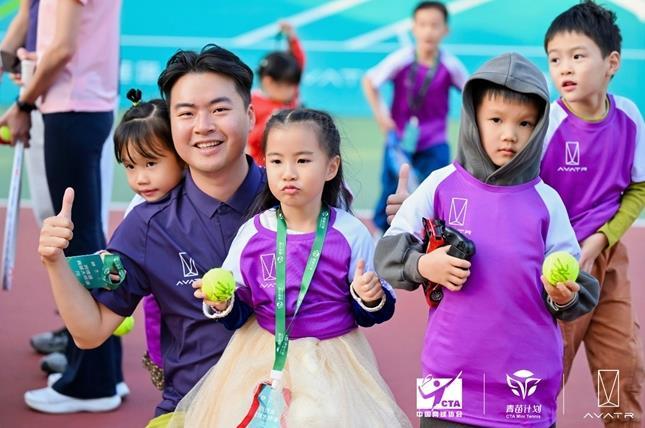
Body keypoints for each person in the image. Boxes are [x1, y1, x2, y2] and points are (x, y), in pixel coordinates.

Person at [37, 44, 268, 425]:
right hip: (193, 411)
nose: (203, 126)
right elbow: (90, 333)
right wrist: (54, 262)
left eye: (219, 109)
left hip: (294, 409)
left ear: (249, 114)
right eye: (186, 113)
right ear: (172, 124)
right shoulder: (147, 225)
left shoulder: (295, 198)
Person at [375, 53, 600, 427]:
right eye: (496, 120)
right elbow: (388, 252)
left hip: (525, 383)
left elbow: (574, 289)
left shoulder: (546, 201)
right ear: (473, 118)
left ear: (538, 128)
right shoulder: (441, 184)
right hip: (446, 377)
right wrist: (423, 264)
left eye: (524, 123)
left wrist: (563, 295)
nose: (509, 134)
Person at [169, 108, 409, 427]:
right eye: (276, 161)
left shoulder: (351, 233)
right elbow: (238, 311)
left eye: (303, 160)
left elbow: (375, 312)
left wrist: (369, 297)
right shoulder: (253, 233)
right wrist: (222, 303)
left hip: (333, 363)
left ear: (331, 167)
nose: (288, 173)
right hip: (259, 357)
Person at [0, 0, 123, 413]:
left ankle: (92, 382)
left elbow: (63, 48)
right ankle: (101, 372)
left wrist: (23, 104)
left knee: (79, 241)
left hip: (72, 107)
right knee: (84, 239)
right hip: (78, 105)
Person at [541, 2, 645, 425]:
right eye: (555, 59)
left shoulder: (629, 117)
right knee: (547, 373)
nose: (564, 68)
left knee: (621, 368)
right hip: (556, 271)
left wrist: (601, 240)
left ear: (611, 64)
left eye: (578, 56)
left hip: (607, 261)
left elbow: (639, 188)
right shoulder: (546, 124)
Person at [362, 1, 468, 233]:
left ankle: (431, 243)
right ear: (414, 28)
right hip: (399, 142)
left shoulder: (450, 65)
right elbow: (369, 81)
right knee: (390, 193)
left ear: (445, 30)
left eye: (435, 25)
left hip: (435, 143)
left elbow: (471, 94)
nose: (428, 31)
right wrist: (381, 116)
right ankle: (382, 240)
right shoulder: (400, 59)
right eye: (423, 24)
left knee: (436, 195)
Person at [114, 88, 186, 391]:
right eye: (130, 166)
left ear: (181, 153)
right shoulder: (138, 211)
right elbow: (120, 259)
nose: (140, 178)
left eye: (151, 163)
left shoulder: (205, 195)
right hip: (164, 317)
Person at [247, 21, 305, 166]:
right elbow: (248, 141)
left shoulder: (288, 96)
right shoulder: (250, 103)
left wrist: (292, 38)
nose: (294, 89)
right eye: (289, 85)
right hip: (262, 168)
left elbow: (298, 62)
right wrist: (269, 123)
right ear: (269, 82)